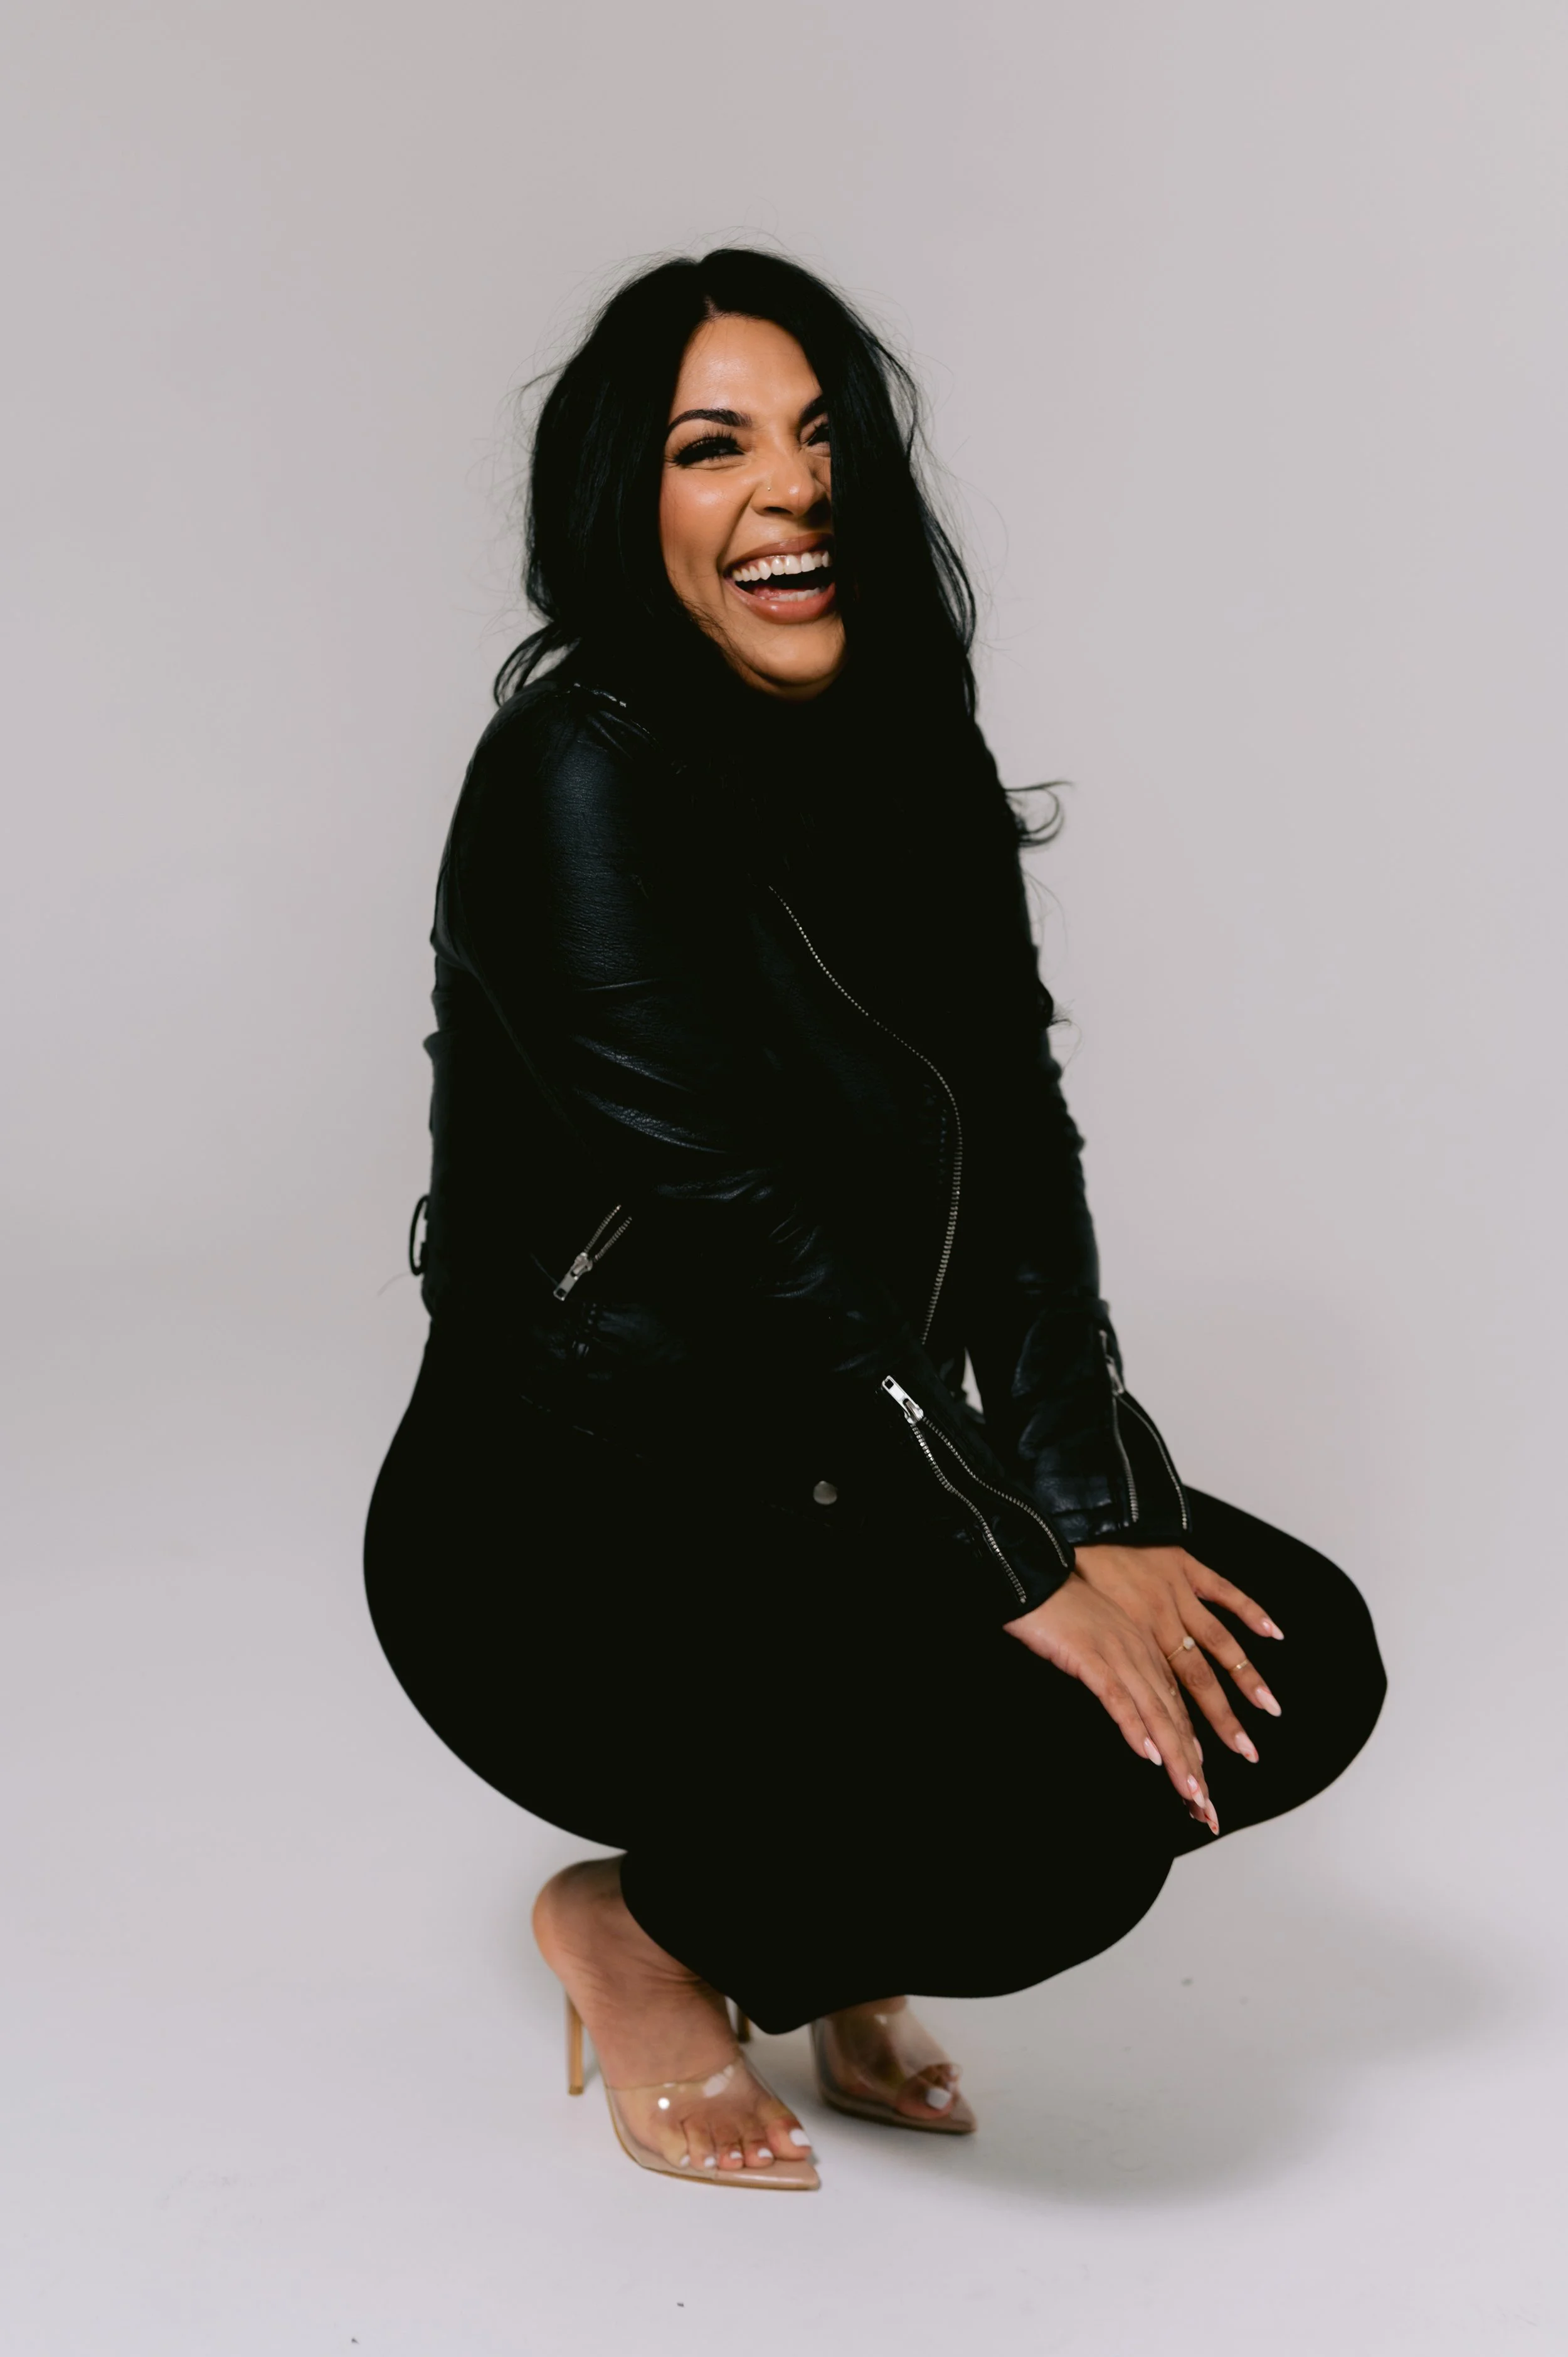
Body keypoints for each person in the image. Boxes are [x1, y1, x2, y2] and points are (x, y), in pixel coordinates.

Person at [364, 248, 1385, 2192]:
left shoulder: (908, 744)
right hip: (570, 1534)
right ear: (625, 503)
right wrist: (1023, 1563)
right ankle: (650, 1930)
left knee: (1294, 1654)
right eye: (712, 445)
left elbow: (1021, 1151)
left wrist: (1092, 1506)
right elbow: (754, 1241)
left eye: (820, 435)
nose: (790, 486)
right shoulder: (574, 782)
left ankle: (800, 1905)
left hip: (838, 1483)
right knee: (1059, 1852)